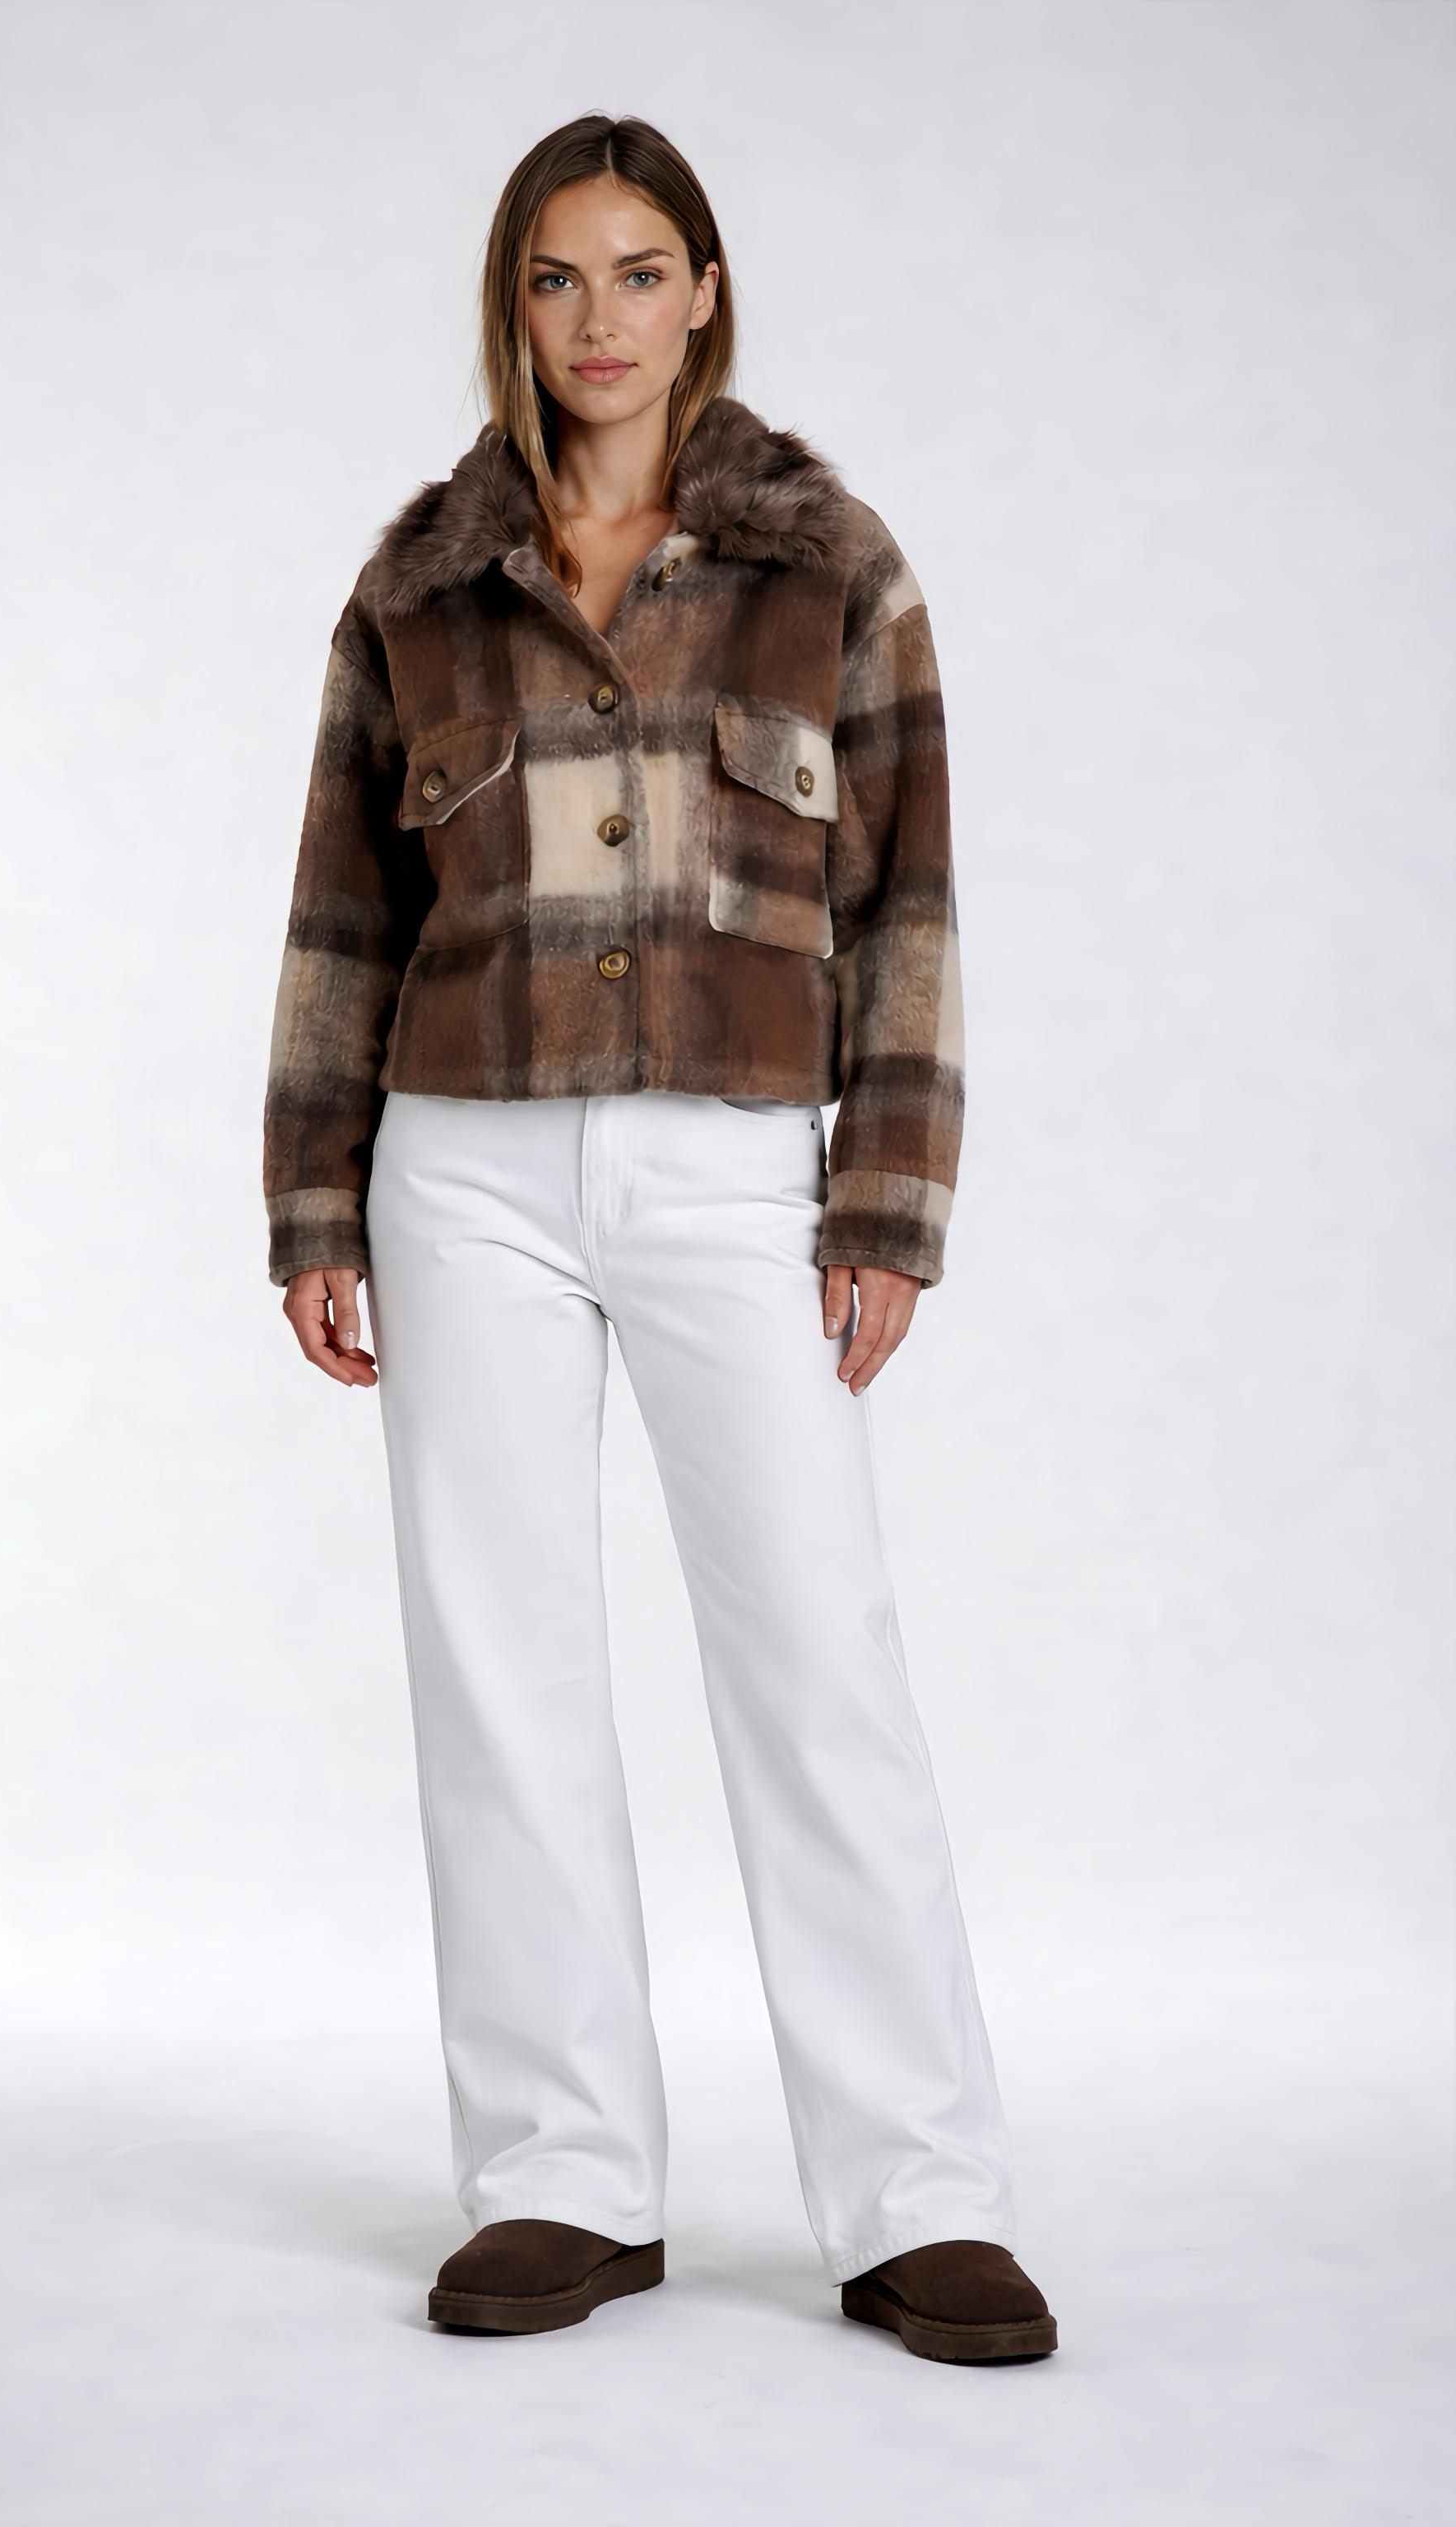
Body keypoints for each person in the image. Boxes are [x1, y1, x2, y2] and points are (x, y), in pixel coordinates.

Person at [262, 111, 1055, 2363]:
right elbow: (340, 911)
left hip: (734, 1167)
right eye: (553, 277)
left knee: (817, 1658)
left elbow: (909, 903)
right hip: (466, 1166)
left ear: (703, 289)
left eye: (636, 271)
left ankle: (918, 2198)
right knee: (499, 1669)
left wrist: (891, 1194)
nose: (596, 319)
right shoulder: (420, 586)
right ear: (510, 307)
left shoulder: (832, 566)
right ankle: (564, 2179)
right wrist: (315, 1195)